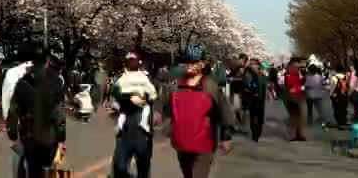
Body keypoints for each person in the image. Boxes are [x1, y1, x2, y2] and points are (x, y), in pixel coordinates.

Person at [162, 46, 235, 178]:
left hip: (204, 145)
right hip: (182, 143)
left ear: (202, 63)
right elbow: (165, 107)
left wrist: (226, 137)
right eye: (188, 61)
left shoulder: (210, 86)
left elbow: (224, 111)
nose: (190, 65)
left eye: (194, 62)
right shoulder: (176, 86)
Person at [6, 46, 66, 178]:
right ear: (47, 61)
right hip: (50, 137)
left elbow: (13, 112)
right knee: (53, 168)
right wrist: (62, 139)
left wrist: (12, 136)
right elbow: (59, 114)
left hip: (29, 137)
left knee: (33, 169)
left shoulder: (22, 84)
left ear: (33, 61)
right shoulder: (56, 82)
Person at [111, 52, 157, 178]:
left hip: (131, 124)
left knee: (123, 164)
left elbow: (115, 97)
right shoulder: (138, 78)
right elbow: (153, 95)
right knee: (140, 165)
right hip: (135, 125)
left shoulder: (125, 79)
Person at [284, 58, 306, 141]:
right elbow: (290, 86)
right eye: (296, 65)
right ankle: (293, 135)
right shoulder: (289, 74)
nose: (298, 67)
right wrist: (299, 87)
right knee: (294, 117)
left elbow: (300, 84)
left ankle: (299, 134)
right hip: (292, 97)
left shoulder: (298, 73)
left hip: (299, 96)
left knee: (300, 117)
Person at [244, 59, 267, 142]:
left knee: (259, 118)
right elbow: (245, 85)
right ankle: (255, 134)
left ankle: (257, 133)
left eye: (254, 64)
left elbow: (264, 88)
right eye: (251, 64)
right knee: (253, 117)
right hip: (252, 99)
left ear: (258, 65)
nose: (252, 65)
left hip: (260, 99)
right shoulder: (247, 74)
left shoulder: (262, 76)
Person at [330, 64, 349, 129]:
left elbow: (332, 87)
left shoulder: (334, 77)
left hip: (336, 96)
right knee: (343, 108)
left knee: (336, 108)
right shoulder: (345, 76)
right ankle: (343, 121)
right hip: (344, 95)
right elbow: (347, 86)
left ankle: (339, 122)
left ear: (336, 70)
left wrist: (331, 94)